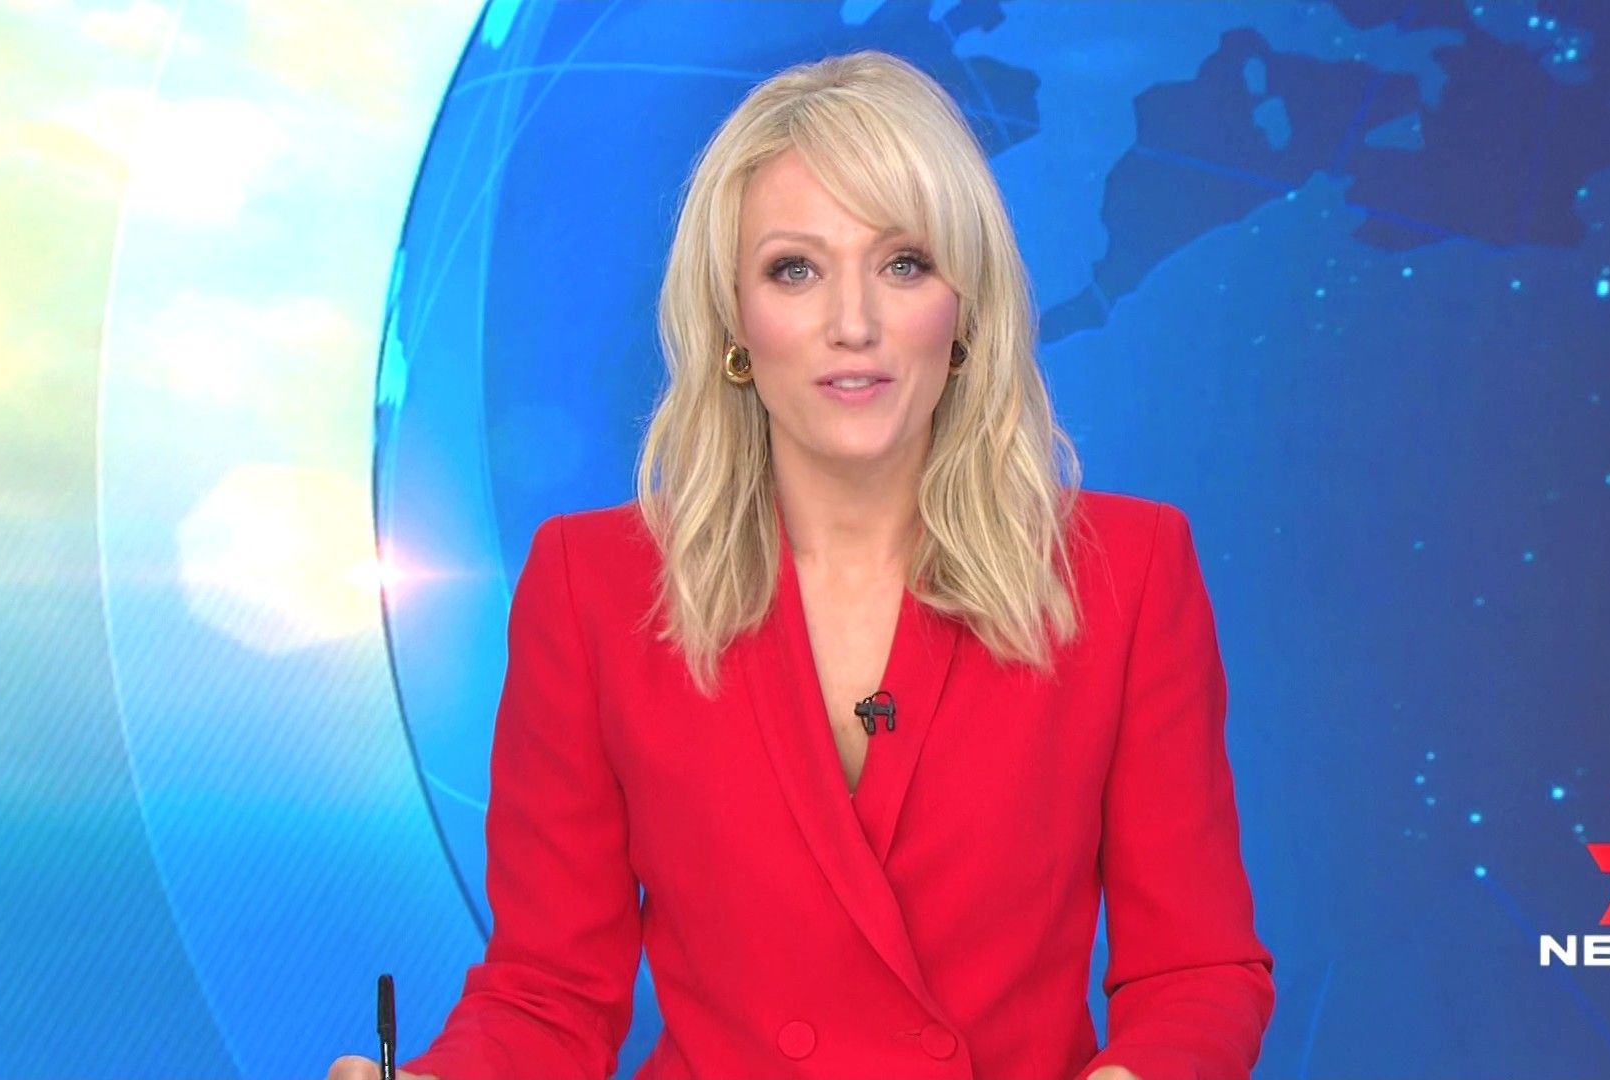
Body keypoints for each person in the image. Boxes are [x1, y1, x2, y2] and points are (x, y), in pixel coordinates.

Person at [329, 48, 1273, 1080]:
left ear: (965, 310)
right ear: (734, 320)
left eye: (903, 263)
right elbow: (550, 995)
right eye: (795, 269)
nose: (853, 324)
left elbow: (1196, 972)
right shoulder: (590, 587)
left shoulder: (1126, 573)